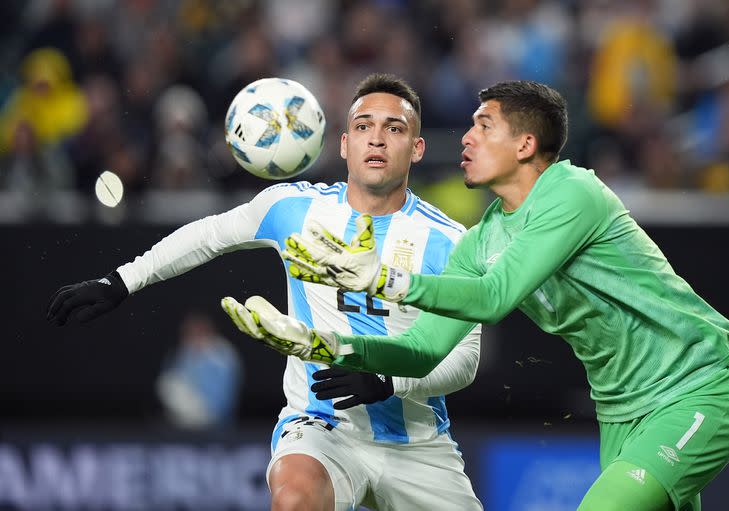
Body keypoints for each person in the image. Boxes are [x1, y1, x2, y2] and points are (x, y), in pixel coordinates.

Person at [224, 80, 729, 511]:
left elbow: (495, 298)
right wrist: (328, 346)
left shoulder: (573, 192)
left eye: (483, 125)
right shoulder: (480, 239)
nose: (466, 138)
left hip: (693, 391)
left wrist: (382, 279)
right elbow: (426, 349)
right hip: (620, 412)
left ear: (524, 146)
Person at [47, 73, 483, 511]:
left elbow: (466, 360)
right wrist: (122, 281)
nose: (377, 140)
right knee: (294, 498)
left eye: (394, 128)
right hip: (321, 426)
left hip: (418, 444)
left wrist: (390, 380)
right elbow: (210, 235)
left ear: (417, 148)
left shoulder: (448, 240)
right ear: (344, 143)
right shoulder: (292, 208)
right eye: (365, 127)